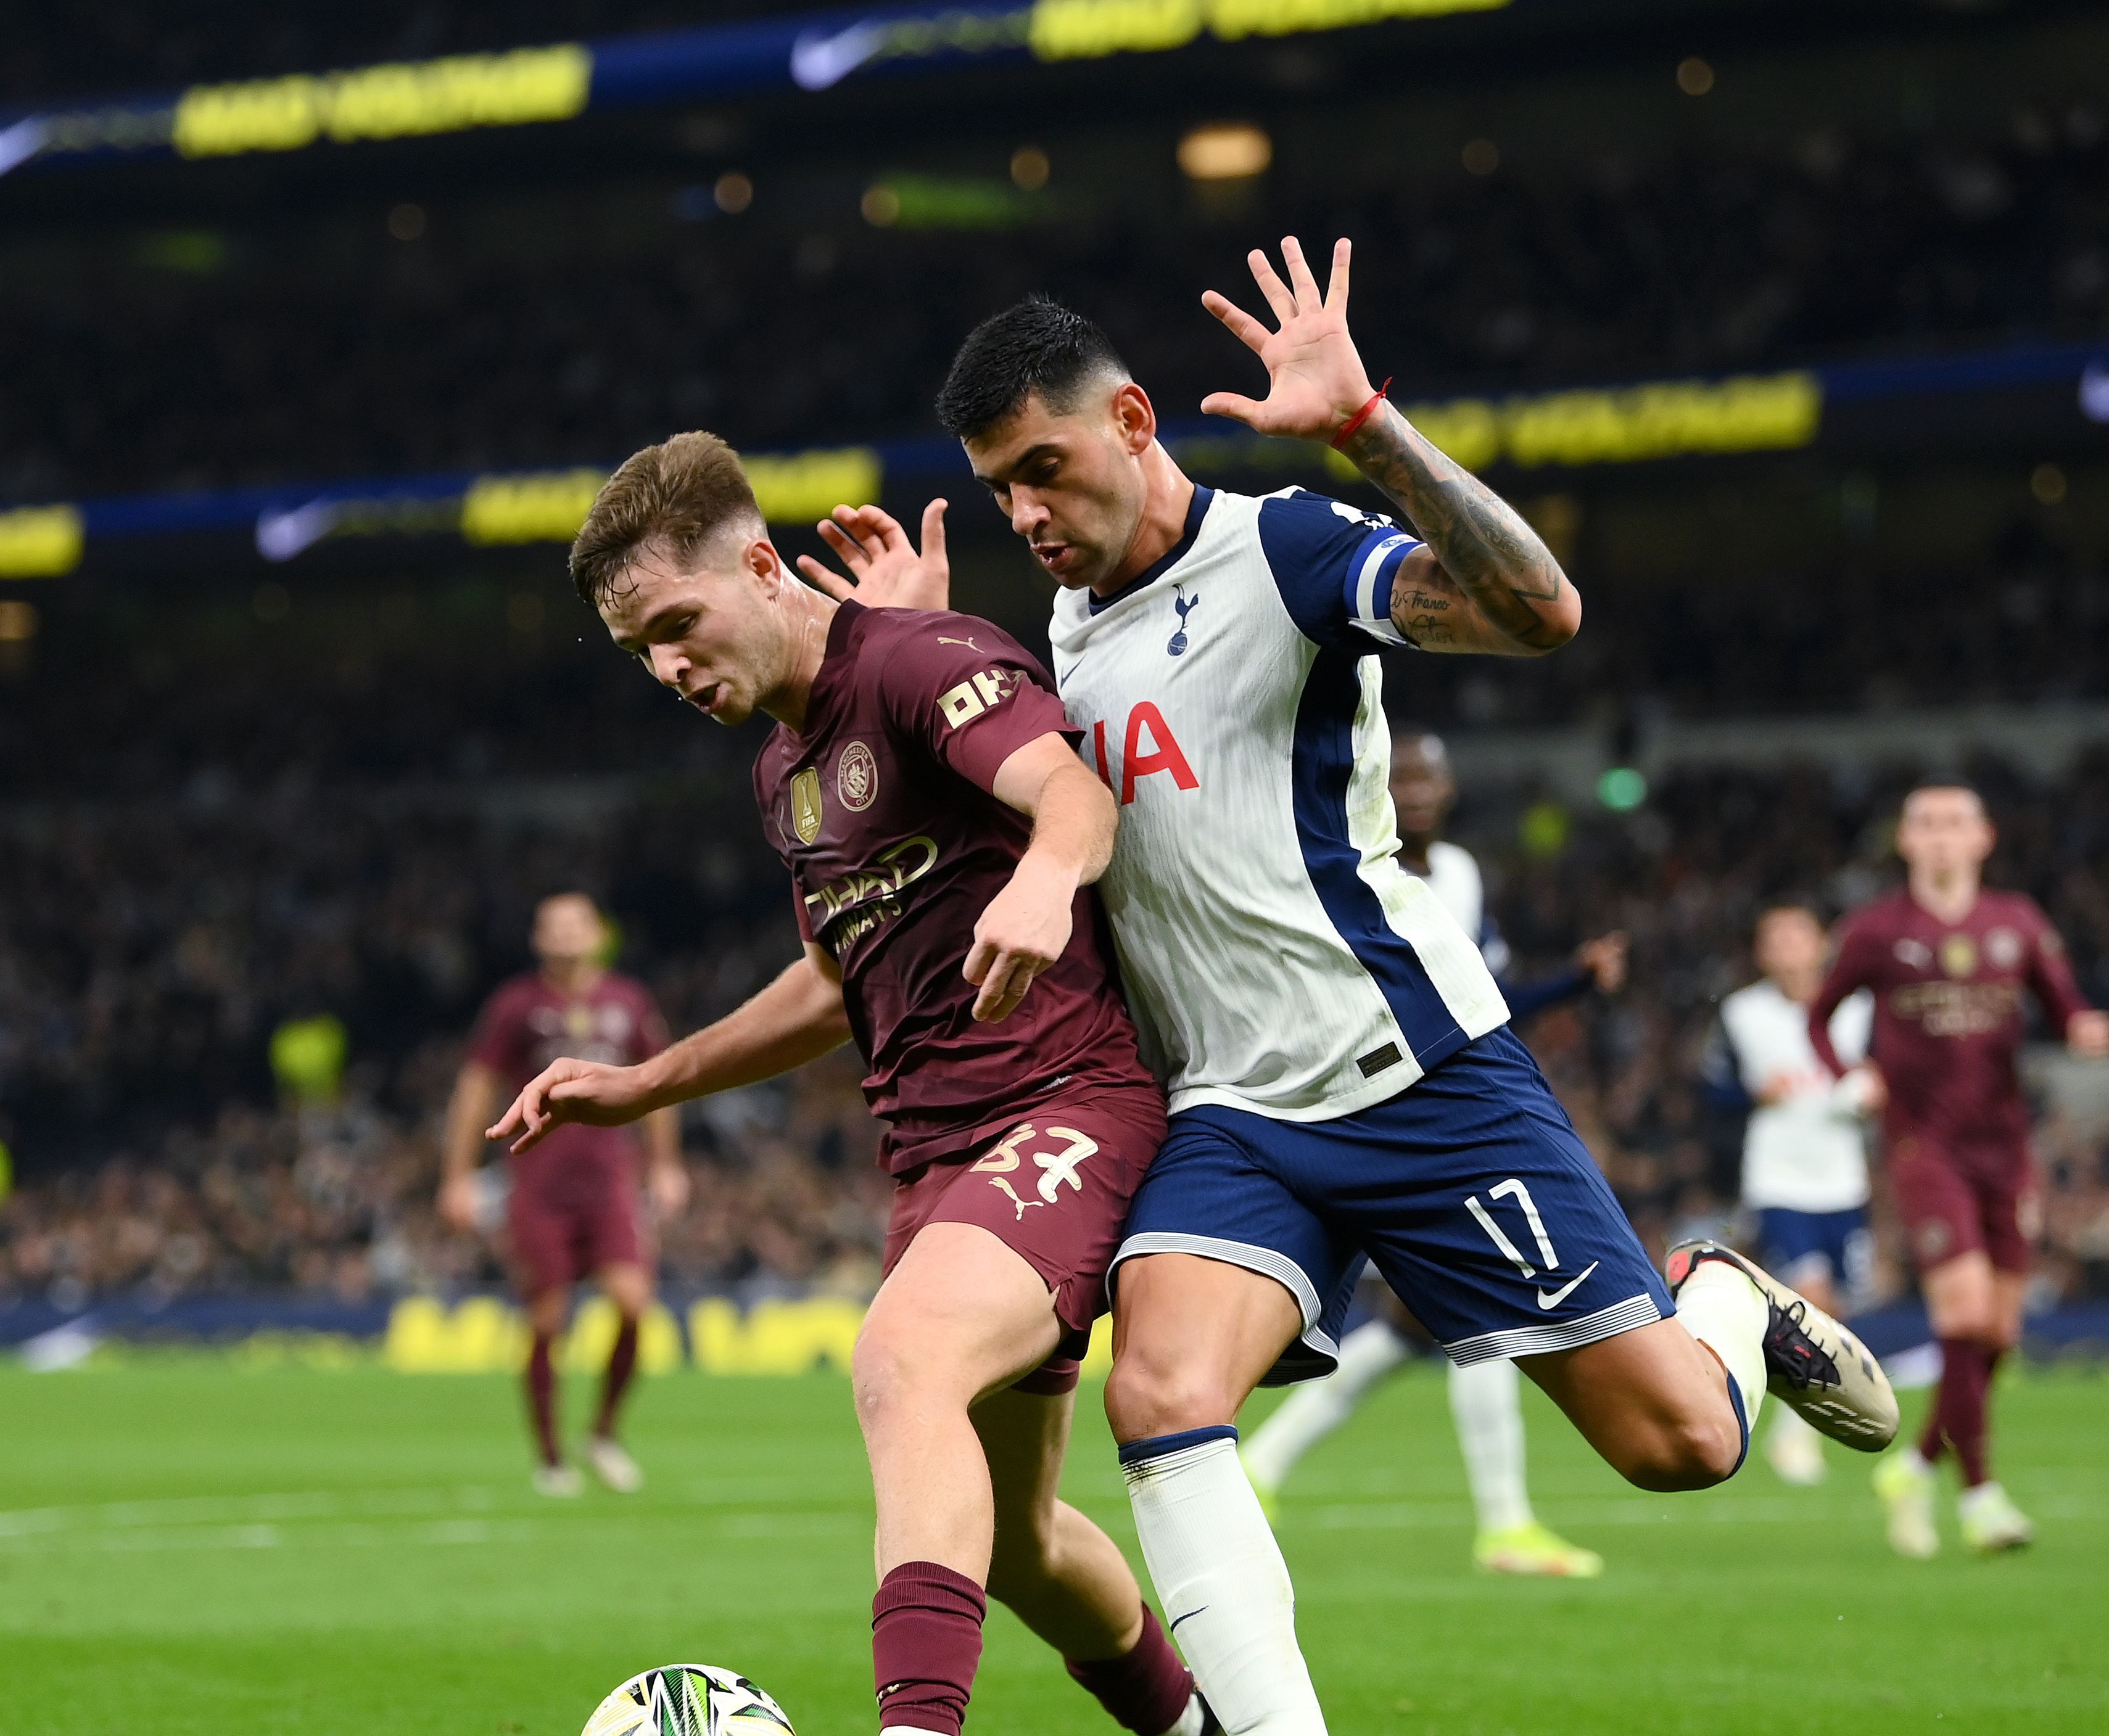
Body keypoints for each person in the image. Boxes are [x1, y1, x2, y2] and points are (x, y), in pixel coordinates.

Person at [809, 240, 1896, 1735]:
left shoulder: (1284, 550)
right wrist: (919, 643)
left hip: (1420, 1079)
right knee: (1158, 1388)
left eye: (1045, 469)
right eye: (1001, 489)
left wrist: (1367, 427)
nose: (1026, 514)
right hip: (1232, 1116)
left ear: (1131, 422)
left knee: (1676, 1447)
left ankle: (1716, 1299)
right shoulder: (1057, 633)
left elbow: (1539, 613)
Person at [489, 432, 1205, 1736]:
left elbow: (1075, 800)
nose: (668, 668)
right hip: (934, 1164)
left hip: (1066, 1106)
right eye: (640, 649)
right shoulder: (785, 772)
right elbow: (833, 981)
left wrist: (1047, 882)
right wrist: (645, 1081)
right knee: (1028, 1546)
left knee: (903, 1358)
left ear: (762, 566)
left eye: (679, 624)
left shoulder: (922, 660)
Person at [1240, 731, 1622, 1578]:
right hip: (1370, 1108)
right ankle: (1507, 1525)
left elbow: (1482, 994)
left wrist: (1573, 983)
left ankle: (1261, 1465)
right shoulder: (1344, 858)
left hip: (1449, 1105)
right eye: (1401, 772)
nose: (1414, 788)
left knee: (1418, 1330)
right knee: (1488, 1312)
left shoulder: (1460, 874)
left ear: (1450, 789)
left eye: (1429, 774)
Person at [1806, 784, 2109, 1557]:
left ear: (1984, 838)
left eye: (1955, 824)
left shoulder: (2018, 923)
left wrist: (2083, 1024)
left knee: (1998, 1336)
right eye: (1926, 824)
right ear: (1905, 841)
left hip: (2005, 1149)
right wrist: (1851, 1073)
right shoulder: (1877, 929)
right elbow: (1818, 1014)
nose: (1941, 838)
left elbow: (2065, 1001)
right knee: (1967, 1318)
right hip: (1924, 1148)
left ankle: (1913, 1466)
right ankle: (1981, 1497)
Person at [439, 891, 688, 1497]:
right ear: (537, 938)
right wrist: (457, 1174)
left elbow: (658, 1082)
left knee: (633, 1303)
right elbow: (475, 1088)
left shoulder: (628, 1002)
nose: (566, 935)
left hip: (609, 1183)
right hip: (539, 1184)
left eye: (576, 924)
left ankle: (602, 1433)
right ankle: (551, 1456)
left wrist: (667, 1165)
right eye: (553, 925)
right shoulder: (516, 1006)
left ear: (599, 933)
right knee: (548, 1318)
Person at [1706, 903, 1881, 1487]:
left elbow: (1889, 1073)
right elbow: (1711, 1087)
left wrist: (1877, 1091)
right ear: (1761, 952)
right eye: (1773, 938)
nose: (1785, 949)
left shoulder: (1859, 1008)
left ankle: (1795, 1422)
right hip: (1778, 1178)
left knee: (1839, 1310)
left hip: (1844, 1177)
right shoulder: (1741, 1012)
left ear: (1821, 945)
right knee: (1810, 1295)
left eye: (1795, 937)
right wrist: (1753, 1092)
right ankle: (1795, 1439)